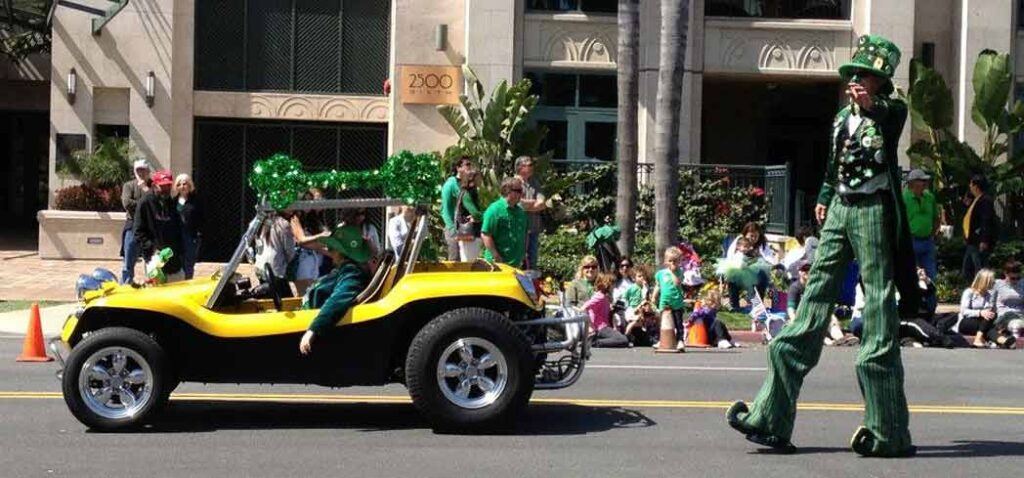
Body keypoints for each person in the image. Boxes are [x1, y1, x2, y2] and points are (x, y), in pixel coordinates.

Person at [728, 35, 919, 457]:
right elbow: (834, 167)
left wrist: (873, 104)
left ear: (880, 83)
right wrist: (823, 196)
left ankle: (888, 430)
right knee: (812, 301)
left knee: (879, 307)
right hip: (840, 210)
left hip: (872, 208)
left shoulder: (889, 110)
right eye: (854, 76)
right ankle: (770, 418)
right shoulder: (839, 119)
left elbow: (889, 116)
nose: (858, 83)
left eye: (866, 77)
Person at [298, 225, 371, 355]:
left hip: (314, 321)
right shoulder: (344, 268)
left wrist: (312, 330)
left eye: (332, 248)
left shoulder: (352, 272)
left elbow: (337, 300)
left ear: (342, 253)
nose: (328, 250)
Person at [133, 170, 184, 283]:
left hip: (173, 260)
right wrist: (152, 248)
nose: (166, 189)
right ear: (154, 185)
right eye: (162, 186)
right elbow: (138, 232)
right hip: (155, 260)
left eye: (168, 186)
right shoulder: (145, 203)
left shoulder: (172, 204)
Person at [953, 269, 1016, 349]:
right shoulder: (969, 292)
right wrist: (980, 312)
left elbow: (990, 311)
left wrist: (990, 311)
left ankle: (1003, 341)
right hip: (966, 322)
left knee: (990, 317)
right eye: (991, 281)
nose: (994, 283)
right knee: (987, 322)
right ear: (984, 281)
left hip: (983, 323)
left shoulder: (990, 294)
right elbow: (964, 311)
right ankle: (999, 340)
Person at [289, 189, 330, 295]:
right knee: (304, 294)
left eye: (310, 200)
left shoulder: (311, 219)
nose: (308, 204)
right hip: (302, 261)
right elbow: (301, 240)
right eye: (305, 201)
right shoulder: (294, 218)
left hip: (314, 261)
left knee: (313, 291)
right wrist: (321, 236)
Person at [481, 177, 528, 268]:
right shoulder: (494, 210)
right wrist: (496, 256)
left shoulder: (521, 212)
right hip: (496, 264)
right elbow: (486, 234)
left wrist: (524, 253)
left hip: (516, 264)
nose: (522, 194)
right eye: (519, 190)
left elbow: (525, 233)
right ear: (508, 191)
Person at [120, 159, 151, 284]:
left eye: (143, 170)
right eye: (138, 170)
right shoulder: (129, 186)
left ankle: (152, 286)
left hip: (149, 228)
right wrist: (145, 204)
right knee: (128, 261)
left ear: (148, 171)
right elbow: (127, 203)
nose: (141, 173)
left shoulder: (153, 186)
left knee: (151, 262)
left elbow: (155, 201)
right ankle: (126, 285)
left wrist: (145, 191)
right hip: (132, 226)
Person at [962, 174, 997, 280]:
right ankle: (973, 288)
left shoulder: (985, 200)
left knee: (980, 269)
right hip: (972, 241)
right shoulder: (976, 200)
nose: (970, 186)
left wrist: (984, 240)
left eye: (971, 184)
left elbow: (986, 220)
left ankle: (983, 290)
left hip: (978, 241)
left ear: (976, 186)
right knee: (968, 269)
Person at [254, 211, 296, 299]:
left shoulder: (261, 221)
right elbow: (290, 251)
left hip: (261, 266)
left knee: (268, 297)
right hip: (275, 270)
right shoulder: (283, 224)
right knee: (286, 300)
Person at [441, 156, 476, 261]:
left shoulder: (466, 184)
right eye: (467, 165)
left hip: (465, 228)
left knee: (466, 259)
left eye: (471, 165)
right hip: (453, 227)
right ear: (458, 168)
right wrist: (451, 228)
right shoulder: (451, 183)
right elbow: (445, 208)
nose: (470, 168)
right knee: (455, 259)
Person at [514, 156, 547, 269]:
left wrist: (527, 206)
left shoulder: (534, 183)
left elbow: (542, 203)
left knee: (532, 261)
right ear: (520, 167)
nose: (532, 167)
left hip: (533, 227)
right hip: (518, 228)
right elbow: (517, 204)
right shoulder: (514, 183)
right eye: (529, 165)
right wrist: (533, 203)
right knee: (519, 259)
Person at [652, 246, 687, 350]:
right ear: (665, 261)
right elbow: (658, 285)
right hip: (664, 301)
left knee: (678, 323)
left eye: (675, 261)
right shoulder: (660, 274)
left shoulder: (679, 272)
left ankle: (680, 340)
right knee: (663, 322)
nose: (672, 263)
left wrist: (672, 272)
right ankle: (662, 339)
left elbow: (677, 283)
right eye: (670, 261)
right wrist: (654, 296)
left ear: (679, 261)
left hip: (676, 301)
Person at [581, 273, 630, 348]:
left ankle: (596, 341)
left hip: (604, 326)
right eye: (613, 284)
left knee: (623, 339)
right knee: (623, 340)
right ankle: (595, 342)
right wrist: (591, 326)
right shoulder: (599, 296)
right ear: (609, 285)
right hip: (601, 328)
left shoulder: (605, 297)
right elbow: (584, 308)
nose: (614, 287)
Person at [173, 174, 202, 280]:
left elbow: (201, 217)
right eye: (179, 184)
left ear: (189, 185)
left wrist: (198, 233)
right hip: (178, 237)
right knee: (179, 263)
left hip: (191, 236)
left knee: (189, 264)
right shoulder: (173, 201)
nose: (182, 186)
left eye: (185, 184)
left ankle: (188, 282)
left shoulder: (196, 201)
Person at [455, 172, 484, 261]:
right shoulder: (467, 194)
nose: (481, 180)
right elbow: (475, 213)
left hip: (472, 234)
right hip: (470, 233)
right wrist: (486, 214)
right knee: (469, 262)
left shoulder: (471, 193)